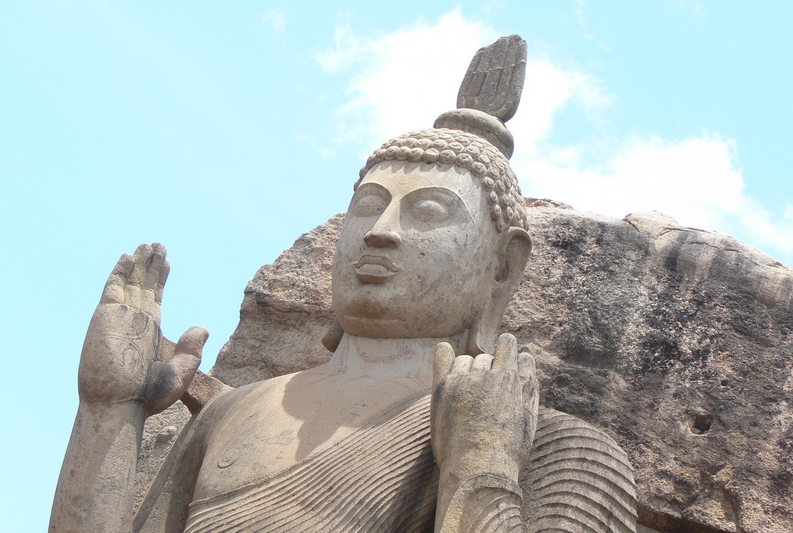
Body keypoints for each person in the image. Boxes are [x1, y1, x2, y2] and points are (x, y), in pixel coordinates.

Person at [50, 36, 637, 533]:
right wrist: (108, 411)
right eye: (368, 206)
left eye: (428, 211)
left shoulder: (558, 450)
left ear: (503, 265)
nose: (381, 233)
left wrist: (480, 466)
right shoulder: (232, 415)